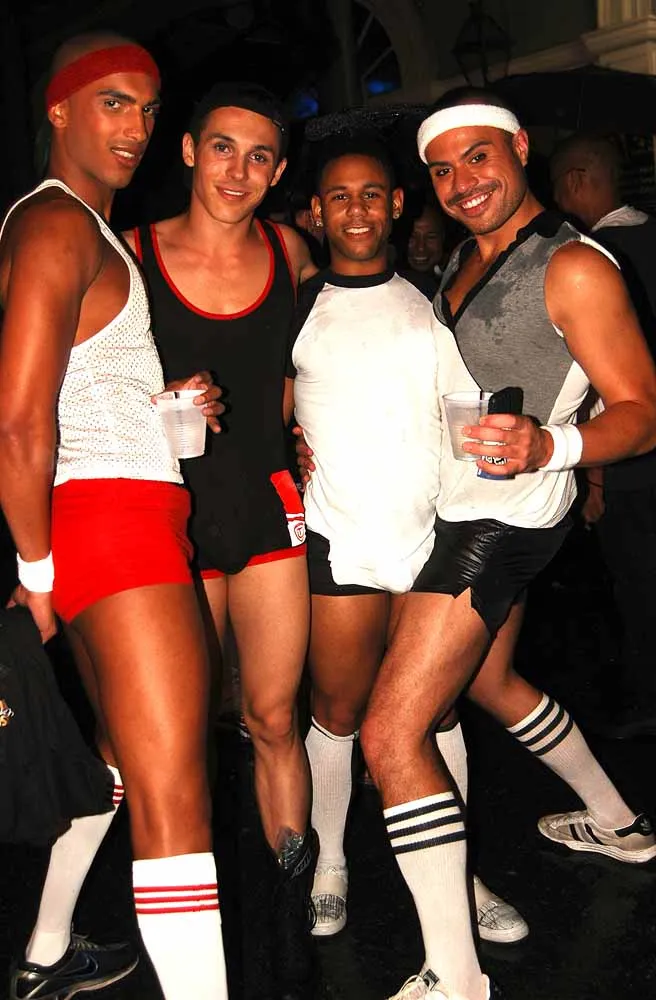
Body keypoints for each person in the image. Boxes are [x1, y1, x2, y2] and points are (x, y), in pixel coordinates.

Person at [355, 88, 656, 1000]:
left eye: (478, 156)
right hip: (470, 502)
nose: (462, 183)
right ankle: (620, 823)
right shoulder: (462, 261)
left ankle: (455, 975)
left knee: (391, 733)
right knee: (487, 682)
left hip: (500, 518)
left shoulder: (575, 266)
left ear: (521, 148)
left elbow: (642, 412)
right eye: (442, 169)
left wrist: (549, 446)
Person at [0, 32, 229, 1000]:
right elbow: (18, 421)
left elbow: (71, 384)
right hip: (111, 524)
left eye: (147, 106)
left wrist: (152, 402)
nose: (136, 125)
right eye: (112, 102)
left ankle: (48, 950)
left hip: (119, 512)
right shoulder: (57, 223)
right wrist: (38, 575)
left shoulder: (82, 226)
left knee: (126, 763)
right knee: (177, 800)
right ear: (58, 110)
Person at [291, 134, 528, 947]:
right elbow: (265, 413)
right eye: (339, 196)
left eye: (371, 194)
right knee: (337, 712)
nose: (356, 209)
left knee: (434, 713)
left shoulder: (439, 299)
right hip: (341, 538)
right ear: (316, 213)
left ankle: (458, 876)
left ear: (397, 205)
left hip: (431, 538)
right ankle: (331, 863)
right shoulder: (297, 306)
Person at [124, 81, 318, 999]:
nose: (238, 170)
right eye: (223, 148)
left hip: (269, 507)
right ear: (190, 151)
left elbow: (308, 364)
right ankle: (192, 932)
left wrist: (309, 424)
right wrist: (155, 402)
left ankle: (291, 916)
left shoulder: (291, 251)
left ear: (277, 173)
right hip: (173, 517)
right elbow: (79, 385)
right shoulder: (130, 256)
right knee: (184, 734)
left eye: (259, 156)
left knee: (275, 719)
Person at [551, 133, 656, 738]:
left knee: (639, 582)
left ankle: (648, 701)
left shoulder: (589, 260)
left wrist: (592, 478)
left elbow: (594, 379)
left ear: (575, 182)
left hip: (630, 460)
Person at [397, 194, 448, 299]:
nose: (420, 247)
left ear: (443, 237)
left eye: (431, 237)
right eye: (412, 237)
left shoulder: (460, 278)